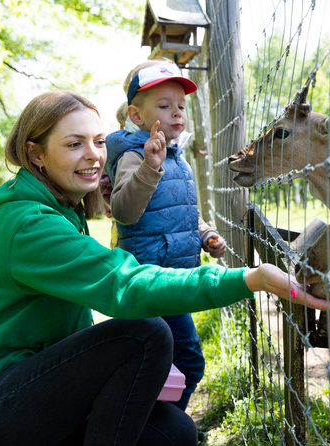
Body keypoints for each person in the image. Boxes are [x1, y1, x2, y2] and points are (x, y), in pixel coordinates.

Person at [0, 90, 330, 446]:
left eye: (99, 142)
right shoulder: (28, 225)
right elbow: (124, 283)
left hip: (13, 386)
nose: (93, 155)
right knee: (145, 335)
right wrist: (250, 278)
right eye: (73, 143)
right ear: (36, 155)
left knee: (175, 433)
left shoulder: (63, 213)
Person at [104, 61, 223, 413]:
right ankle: (163, 428)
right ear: (136, 116)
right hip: (150, 281)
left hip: (171, 279)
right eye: (164, 105)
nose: (176, 113)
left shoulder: (176, 159)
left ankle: (151, 424)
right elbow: (124, 211)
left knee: (160, 363)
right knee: (188, 362)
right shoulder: (134, 155)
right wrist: (148, 167)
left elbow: (182, 211)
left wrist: (206, 234)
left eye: (181, 106)